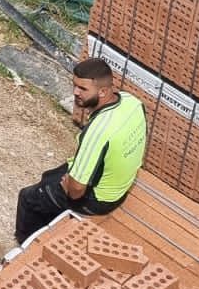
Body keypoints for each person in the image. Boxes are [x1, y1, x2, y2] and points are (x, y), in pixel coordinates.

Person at [13, 57, 147, 245]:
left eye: (83, 89)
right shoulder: (132, 103)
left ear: (103, 91)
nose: (75, 93)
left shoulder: (99, 131)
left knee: (30, 198)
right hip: (122, 185)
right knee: (49, 177)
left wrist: (70, 186)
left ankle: (24, 247)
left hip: (98, 200)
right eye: (75, 85)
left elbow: (76, 190)